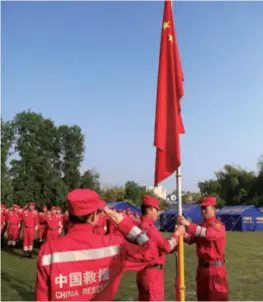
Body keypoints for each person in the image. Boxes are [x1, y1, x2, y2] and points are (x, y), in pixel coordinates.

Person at [35, 188, 159, 301]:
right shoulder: (114, 245)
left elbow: (41, 296)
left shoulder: (48, 250)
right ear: (94, 216)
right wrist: (123, 224)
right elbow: (151, 252)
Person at [177, 196, 228, 301]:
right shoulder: (201, 225)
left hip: (215, 270)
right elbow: (190, 239)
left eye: (206, 208)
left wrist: (188, 224)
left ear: (213, 209)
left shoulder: (218, 226)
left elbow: (208, 234)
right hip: (201, 269)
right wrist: (181, 233)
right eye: (202, 208)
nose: (203, 210)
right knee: (202, 298)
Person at [136, 195, 185, 301]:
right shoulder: (150, 229)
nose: (158, 213)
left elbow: (152, 248)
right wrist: (177, 234)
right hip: (153, 275)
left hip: (142, 272)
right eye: (156, 209)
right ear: (148, 210)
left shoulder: (140, 226)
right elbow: (166, 246)